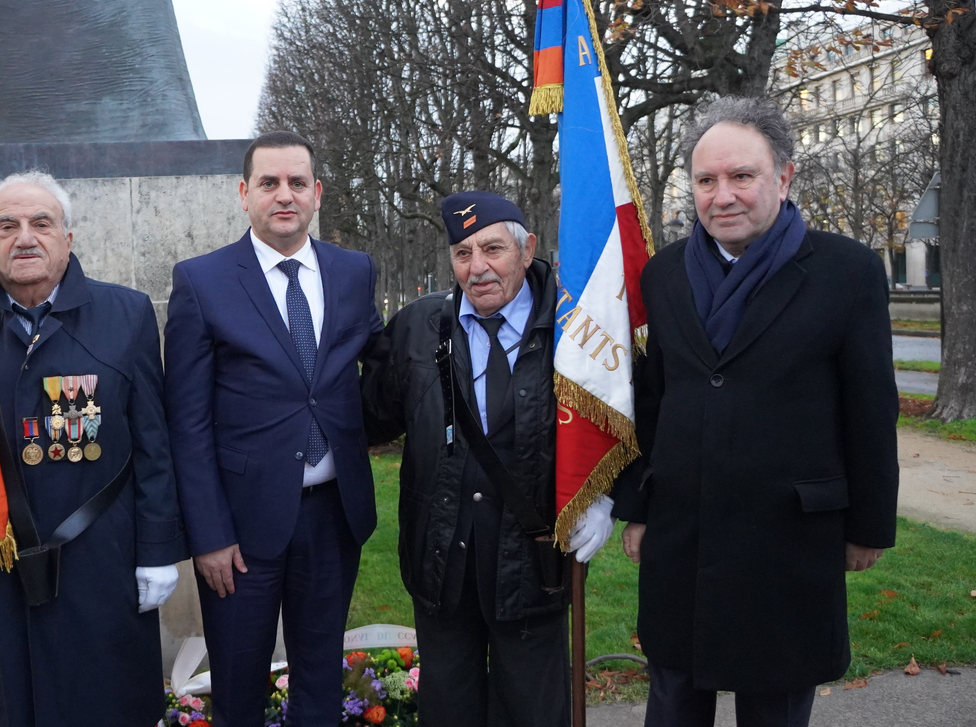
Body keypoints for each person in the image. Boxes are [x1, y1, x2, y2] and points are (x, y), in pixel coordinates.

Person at [612, 96, 900, 727]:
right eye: (706, 180)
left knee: (774, 706)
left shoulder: (846, 271)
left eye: (742, 176)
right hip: (681, 539)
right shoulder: (663, 275)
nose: (723, 196)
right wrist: (635, 507)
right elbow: (652, 398)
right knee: (673, 702)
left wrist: (869, 525)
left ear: (784, 176)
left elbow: (871, 406)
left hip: (789, 542)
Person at [362, 191, 615, 727]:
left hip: (534, 563)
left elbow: (618, 416)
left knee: (533, 710)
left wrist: (606, 494)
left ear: (528, 250)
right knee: (448, 708)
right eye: (462, 253)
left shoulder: (575, 329)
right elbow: (367, 417)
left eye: (493, 249)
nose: (477, 268)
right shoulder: (418, 327)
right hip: (441, 561)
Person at [165, 131, 384, 726]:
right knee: (239, 685)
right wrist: (208, 534)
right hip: (239, 531)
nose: (283, 195)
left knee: (320, 679)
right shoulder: (202, 282)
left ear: (317, 193)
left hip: (332, 516)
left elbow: (378, 365)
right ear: (244, 194)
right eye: (268, 183)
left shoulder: (353, 271)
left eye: (296, 183)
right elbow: (186, 422)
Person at [0, 172, 185, 727]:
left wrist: (157, 549)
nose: (25, 237)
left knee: (108, 697)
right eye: (6, 225)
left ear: (68, 237)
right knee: (13, 698)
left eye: (41, 223)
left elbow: (153, 442)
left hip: (100, 552)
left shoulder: (125, 313)